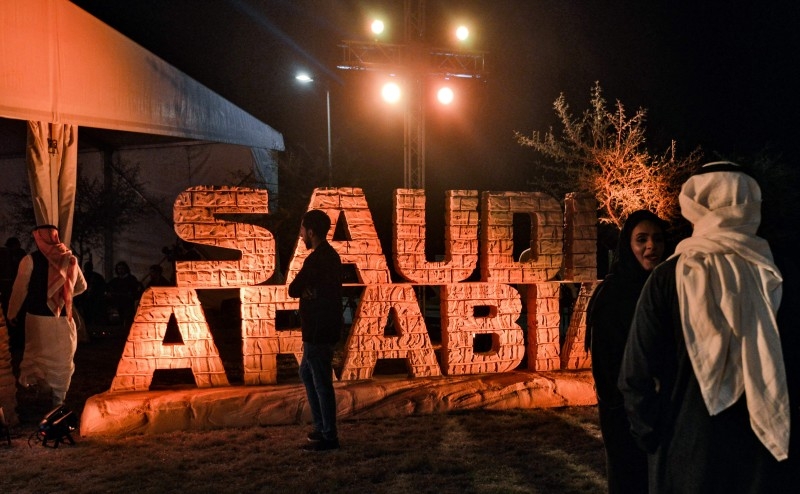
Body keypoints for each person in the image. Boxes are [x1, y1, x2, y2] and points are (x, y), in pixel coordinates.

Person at [619, 162, 793, 493]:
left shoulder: (667, 278)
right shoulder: (777, 274)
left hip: (687, 451)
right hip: (765, 450)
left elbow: (634, 375)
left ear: (696, 203)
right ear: (747, 202)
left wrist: (653, 436)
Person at [585, 209, 668, 493]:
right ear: (627, 245)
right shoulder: (613, 295)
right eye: (641, 239)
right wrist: (627, 410)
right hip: (623, 414)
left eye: (657, 239)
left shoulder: (665, 289)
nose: (650, 247)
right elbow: (605, 367)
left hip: (659, 413)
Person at [6, 225, 87, 407]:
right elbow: (82, 287)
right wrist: (63, 295)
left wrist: (12, 312)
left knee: (37, 357)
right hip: (63, 320)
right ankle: (58, 400)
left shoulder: (29, 260)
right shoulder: (70, 259)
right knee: (61, 361)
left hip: (37, 320)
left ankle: (39, 394)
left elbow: (20, 289)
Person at [288, 209, 343, 452]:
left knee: (320, 381)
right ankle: (323, 428)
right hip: (325, 328)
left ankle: (328, 435)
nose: (300, 236)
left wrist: (307, 290)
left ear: (311, 231)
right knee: (308, 374)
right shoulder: (331, 256)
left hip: (317, 331)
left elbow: (294, 288)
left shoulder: (316, 259)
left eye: (302, 231)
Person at [0, 237, 26, 349]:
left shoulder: (3, 253)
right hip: (15, 287)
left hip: (7, 288)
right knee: (17, 313)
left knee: (8, 313)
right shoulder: (18, 254)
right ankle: (17, 341)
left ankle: (12, 340)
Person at [106, 261, 142, 330]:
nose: (121, 270)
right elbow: (108, 287)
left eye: (122, 268)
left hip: (128, 302)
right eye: (119, 269)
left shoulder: (131, 279)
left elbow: (136, 290)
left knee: (128, 318)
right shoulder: (115, 280)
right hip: (118, 302)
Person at [74, 260, 106, 327]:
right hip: (84, 300)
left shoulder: (96, 277)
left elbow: (102, 288)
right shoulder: (82, 276)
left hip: (95, 300)